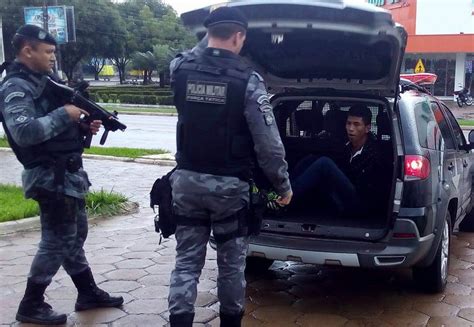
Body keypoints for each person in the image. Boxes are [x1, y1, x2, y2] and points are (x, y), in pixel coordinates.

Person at [167, 7, 292, 327]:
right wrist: (282, 186)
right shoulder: (247, 81)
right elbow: (269, 145)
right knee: (231, 266)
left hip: (187, 183)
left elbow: (195, 55)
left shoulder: (180, 69)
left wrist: (208, 36)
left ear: (209, 34)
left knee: (186, 263)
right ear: (239, 37)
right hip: (229, 189)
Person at [0, 25, 123, 325]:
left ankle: (87, 292)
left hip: (66, 175)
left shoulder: (44, 81)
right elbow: (25, 132)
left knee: (74, 235)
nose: (53, 58)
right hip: (47, 177)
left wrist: (81, 125)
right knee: (57, 240)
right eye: (48, 52)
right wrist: (65, 114)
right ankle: (31, 304)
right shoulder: (16, 87)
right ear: (27, 50)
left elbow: (53, 127)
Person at [271, 104, 381, 216]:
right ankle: (283, 190)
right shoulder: (346, 145)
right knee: (312, 158)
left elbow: (366, 189)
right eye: (348, 123)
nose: (351, 128)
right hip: (344, 191)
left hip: (359, 201)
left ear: (367, 128)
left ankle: (284, 200)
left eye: (356, 124)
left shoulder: (374, 153)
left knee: (324, 163)